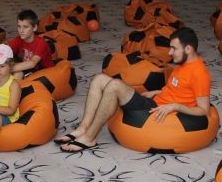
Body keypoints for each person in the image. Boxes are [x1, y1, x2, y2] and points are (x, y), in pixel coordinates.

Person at [54, 27, 211, 153]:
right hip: (153, 101)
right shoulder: (183, 64)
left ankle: (89, 138)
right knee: (98, 79)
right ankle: (83, 128)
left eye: (173, 48)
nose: (169, 53)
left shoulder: (199, 73)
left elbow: (203, 110)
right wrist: (158, 92)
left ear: (188, 49)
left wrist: (175, 106)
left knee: (115, 85)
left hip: (154, 111)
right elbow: (179, 89)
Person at [0, 9, 53, 96]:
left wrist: (6, 69)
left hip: (40, 70)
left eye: (25, 27)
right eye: (19, 26)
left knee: (17, 73)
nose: (21, 30)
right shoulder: (18, 40)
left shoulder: (41, 42)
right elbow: (5, 51)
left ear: (34, 28)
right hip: (24, 65)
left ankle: (4, 95)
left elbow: (32, 63)